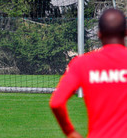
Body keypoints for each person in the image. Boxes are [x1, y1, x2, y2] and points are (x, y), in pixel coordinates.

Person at [50, 8, 127, 138]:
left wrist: (70, 132)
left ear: (99, 34)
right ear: (125, 32)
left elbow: (56, 102)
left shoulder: (81, 63)